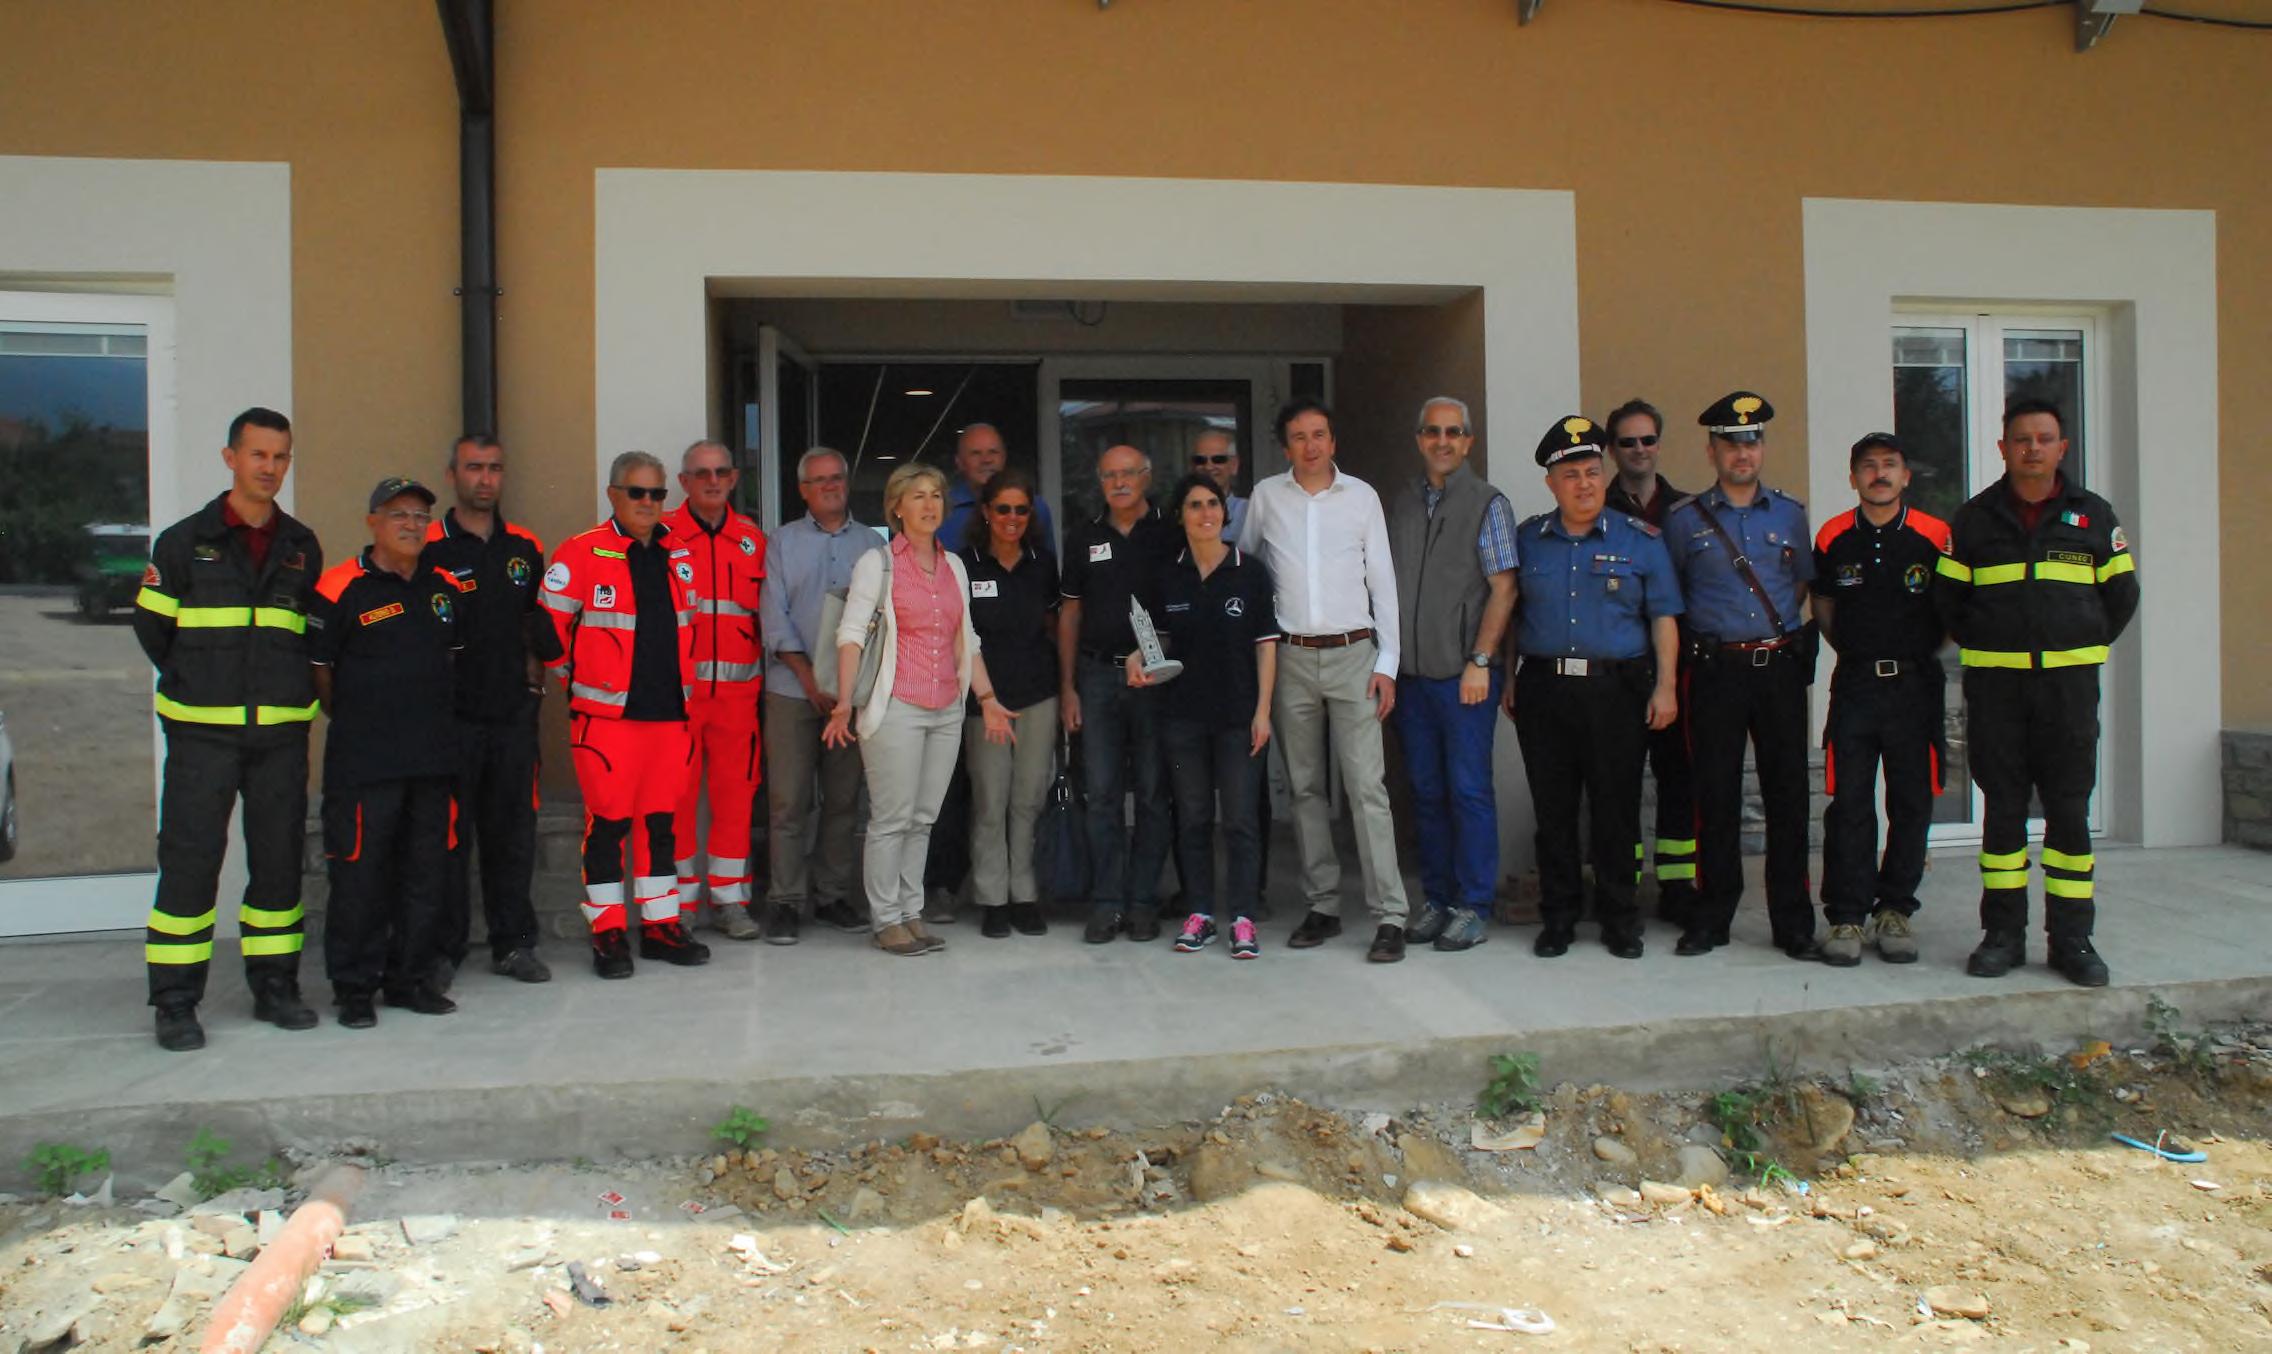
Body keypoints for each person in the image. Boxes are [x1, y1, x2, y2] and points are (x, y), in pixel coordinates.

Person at [133, 406, 323, 1051]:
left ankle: (275, 987)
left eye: (281, 457)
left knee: (276, 867)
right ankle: (176, 1001)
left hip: (278, 737)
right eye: (258, 455)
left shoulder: (301, 547)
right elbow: (153, 629)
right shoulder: (184, 544)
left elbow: (304, 640)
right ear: (231, 458)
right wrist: (200, 687)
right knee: (188, 865)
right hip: (201, 737)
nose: (270, 468)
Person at [1935, 399, 2138, 987]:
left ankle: (2073, 940)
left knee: (2069, 812)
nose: (2032, 448)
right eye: (2021, 439)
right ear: (2003, 448)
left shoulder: (2093, 516)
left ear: (2062, 448)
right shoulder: (1973, 520)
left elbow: (2121, 597)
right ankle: (2002, 937)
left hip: (2068, 691)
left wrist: (2080, 642)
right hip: (1997, 688)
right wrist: (1992, 645)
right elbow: (1949, 601)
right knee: (2001, 813)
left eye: (2044, 439)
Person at [1505, 416, 1683, 958]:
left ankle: (1618, 918)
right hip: (1544, 690)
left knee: (1616, 810)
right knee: (1554, 810)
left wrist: (1666, 688)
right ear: (1551, 483)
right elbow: (1511, 613)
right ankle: (1559, 916)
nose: (1583, 483)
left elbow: (1664, 619)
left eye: (1591, 471)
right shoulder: (1528, 540)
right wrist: (1509, 676)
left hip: (1616, 692)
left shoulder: (1642, 540)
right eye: (1571, 474)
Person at [1243, 398, 1412, 963]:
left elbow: (1382, 579)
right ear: (1285, 445)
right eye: (1298, 436)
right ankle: (1323, 905)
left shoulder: (1361, 497)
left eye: (1319, 435)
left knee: (1367, 788)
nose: (1310, 445)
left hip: (1353, 655)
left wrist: (1388, 661)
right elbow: (1243, 569)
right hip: (1291, 658)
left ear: (1333, 443)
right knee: (1305, 789)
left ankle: (1390, 914)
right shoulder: (1267, 497)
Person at [824, 462, 1014, 956]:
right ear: (897, 507)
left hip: (945, 706)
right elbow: (850, 635)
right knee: (891, 816)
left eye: (935, 496)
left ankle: (911, 913)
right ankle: (885, 917)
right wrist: (845, 702)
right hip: (896, 706)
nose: (929, 505)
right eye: (918, 496)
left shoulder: (954, 566)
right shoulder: (878, 563)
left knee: (923, 817)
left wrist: (987, 699)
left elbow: (966, 638)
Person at [541, 451, 710, 978]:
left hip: (668, 717)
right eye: (636, 492)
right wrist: (582, 685)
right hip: (606, 721)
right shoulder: (582, 552)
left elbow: (693, 629)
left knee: (660, 824)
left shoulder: (679, 554)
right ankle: (608, 931)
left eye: (657, 494)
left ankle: (661, 926)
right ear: (613, 494)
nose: (647, 503)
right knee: (609, 826)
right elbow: (548, 633)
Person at [1665, 391, 1820, 960]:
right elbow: (1672, 597)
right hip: (1716, 672)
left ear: (1762, 448)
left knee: (1788, 797)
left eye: (1751, 441)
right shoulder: (1684, 521)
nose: (1743, 452)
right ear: (1712, 450)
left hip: (1777, 667)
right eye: (1731, 442)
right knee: (1716, 795)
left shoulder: (1790, 514)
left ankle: (1792, 921)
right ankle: (1713, 915)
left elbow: (1800, 586)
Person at [311, 478, 464, 1026]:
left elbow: (452, 660)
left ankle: (409, 979)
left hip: (431, 761)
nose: (412, 525)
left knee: (426, 877)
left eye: (422, 517)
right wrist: (360, 717)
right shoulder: (338, 587)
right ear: (372, 520)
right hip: (365, 764)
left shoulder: (443, 587)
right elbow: (320, 672)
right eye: (399, 514)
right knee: (360, 878)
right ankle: (354, 988)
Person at [421, 435, 559, 986]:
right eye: (474, 468)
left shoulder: (523, 546)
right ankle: (442, 948)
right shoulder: (428, 543)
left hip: (510, 718)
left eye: (494, 469)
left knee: (512, 834)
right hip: (449, 719)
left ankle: (514, 944)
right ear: (452, 473)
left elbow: (537, 622)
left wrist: (535, 686)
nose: (485, 479)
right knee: (448, 839)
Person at [1811, 433, 1952, 967]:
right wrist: (1861, 653)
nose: (1879, 475)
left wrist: (1911, 655)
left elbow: (1952, 614)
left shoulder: (1936, 536)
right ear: (1853, 477)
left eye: (1889, 465)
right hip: (1855, 685)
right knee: (1849, 802)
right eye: (1868, 467)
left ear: (1906, 475)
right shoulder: (1833, 536)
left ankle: (1895, 910)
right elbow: (1824, 608)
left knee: (1911, 801)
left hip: (1916, 686)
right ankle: (1846, 916)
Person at [1387, 397, 1517, 953]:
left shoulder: (1487, 503)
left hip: (1465, 677)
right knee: (1427, 793)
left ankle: (1473, 904)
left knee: (1467, 791)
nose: (1443, 441)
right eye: (1433, 432)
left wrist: (1481, 661)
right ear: (1419, 439)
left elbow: (1504, 587)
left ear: (1468, 442)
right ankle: (1437, 899)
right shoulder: (1401, 503)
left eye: (1454, 433)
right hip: (1412, 678)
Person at [1132, 475, 1278, 960]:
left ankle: (1241, 917)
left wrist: (1263, 712)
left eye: (1212, 503)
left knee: (1239, 819)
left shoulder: (1250, 571)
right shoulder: (1167, 575)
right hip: (1182, 716)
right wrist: (1139, 658)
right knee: (1193, 817)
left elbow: (1265, 649)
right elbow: (1159, 641)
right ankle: (1199, 913)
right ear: (1181, 516)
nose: (1205, 513)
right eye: (1194, 505)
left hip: (1239, 716)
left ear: (1225, 511)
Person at [756, 447, 881, 942]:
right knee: (788, 802)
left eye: (837, 478)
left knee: (844, 799)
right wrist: (810, 679)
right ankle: (785, 900)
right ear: (803, 490)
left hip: (851, 697)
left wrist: (847, 689)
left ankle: (831, 895)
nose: (831, 486)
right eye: (819, 480)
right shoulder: (782, 543)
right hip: (791, 691)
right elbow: (774, 616)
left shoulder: (873, 545)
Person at [1057, 444, 1178, 944]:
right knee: (1102, 792)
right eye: (1109, 475)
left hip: (1156, 680)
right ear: (1100, 481)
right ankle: (1107, 902)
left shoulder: (1172, 533)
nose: (1120, 482)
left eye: (1129, 473)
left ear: (1147, 477)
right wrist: (1067, 687)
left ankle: (1143, 900)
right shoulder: (1084, 537)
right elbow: (1069, 614)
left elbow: (1183, 607)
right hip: (1098, 678)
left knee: (1152, 792)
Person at [664, 440, 770, 941]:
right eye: (700, 473)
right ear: (683, 482)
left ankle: (731, 901)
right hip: (676, 699)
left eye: (721, 472)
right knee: (677, 800)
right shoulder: (659, 534)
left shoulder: (753, 540)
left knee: (735, 800)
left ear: (733, 480)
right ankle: (682, 903)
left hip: (737, 697)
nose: (712, 480)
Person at [1602, 397, 1698, 924]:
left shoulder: (1685, 512)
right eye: (1627, 442)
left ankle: (1679, 885)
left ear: (1659, 444)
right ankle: (1625, 889)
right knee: (1617, 783)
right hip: (1617, 668)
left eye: (1647, 440)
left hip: (1674, 668)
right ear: (1612, 451)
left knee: (1678, 777)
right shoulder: (1596, 507)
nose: (1639, 450)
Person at [959, 469, 1060, 938]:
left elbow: (1056, 626)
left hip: (1039, 695)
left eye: (1021, 509)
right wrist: (985, 696)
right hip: (986, 700)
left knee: (1028, 799)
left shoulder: (1043, 562)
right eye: (1003, 509)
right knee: (990, 802)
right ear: (986, 512)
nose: (1012, 518)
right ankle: (992, 898)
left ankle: (1024, 894)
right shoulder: (965, 565)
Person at [941, 422, 1058, 564]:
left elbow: (1046, 567)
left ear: (1004, 457)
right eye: (975, 453)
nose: (986, 460)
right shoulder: (940, 509)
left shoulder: (1034, 506)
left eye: (993, 452)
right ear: (959, 462)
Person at [1189, 427, 1251, 545]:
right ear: (1192, 466)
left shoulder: (1249, 513)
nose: (1208, 467)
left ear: (1234, 465)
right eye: (1200, 460)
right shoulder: (1179, 512)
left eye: (1218, 459)